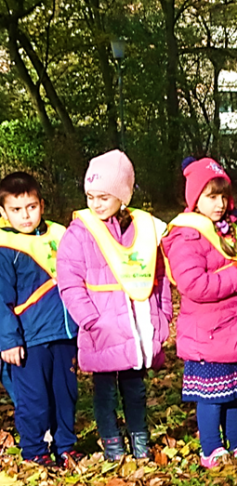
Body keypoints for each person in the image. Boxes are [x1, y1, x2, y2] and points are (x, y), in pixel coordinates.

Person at [57, 150, 172, 461]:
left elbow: (158, 276)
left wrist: (162, 317)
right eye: (90, 196)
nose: (95, 204)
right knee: (104, 392)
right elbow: (69, 282)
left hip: (138, 328)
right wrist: (90, 320)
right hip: (102, 329)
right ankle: (111, 442)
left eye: (104, 197)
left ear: (123, 195)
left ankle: (140, 440)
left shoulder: (143, 228)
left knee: (135, 390)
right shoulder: (79, 233)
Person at [163, 158, 237, 469]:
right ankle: (211, 447)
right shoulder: (186, 236)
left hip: (233, 327)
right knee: (210, 395)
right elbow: (194, 285)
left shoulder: (229, 231)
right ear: (194, 199)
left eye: (222, 196)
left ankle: (236, 440)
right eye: (210, 197)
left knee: (234, 392)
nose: (218, 204)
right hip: (207, 331)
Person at [0, 172, 79, 467]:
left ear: (42, 205)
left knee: (66, 394)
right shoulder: (5, 248)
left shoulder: (60, 235)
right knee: (34, 400)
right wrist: (7, 340)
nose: (25, 216)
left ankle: (66, 446)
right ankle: (34, 450)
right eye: (16, 210)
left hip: (64, 333)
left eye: (31, 207)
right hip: (28, 338)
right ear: (3, 212)